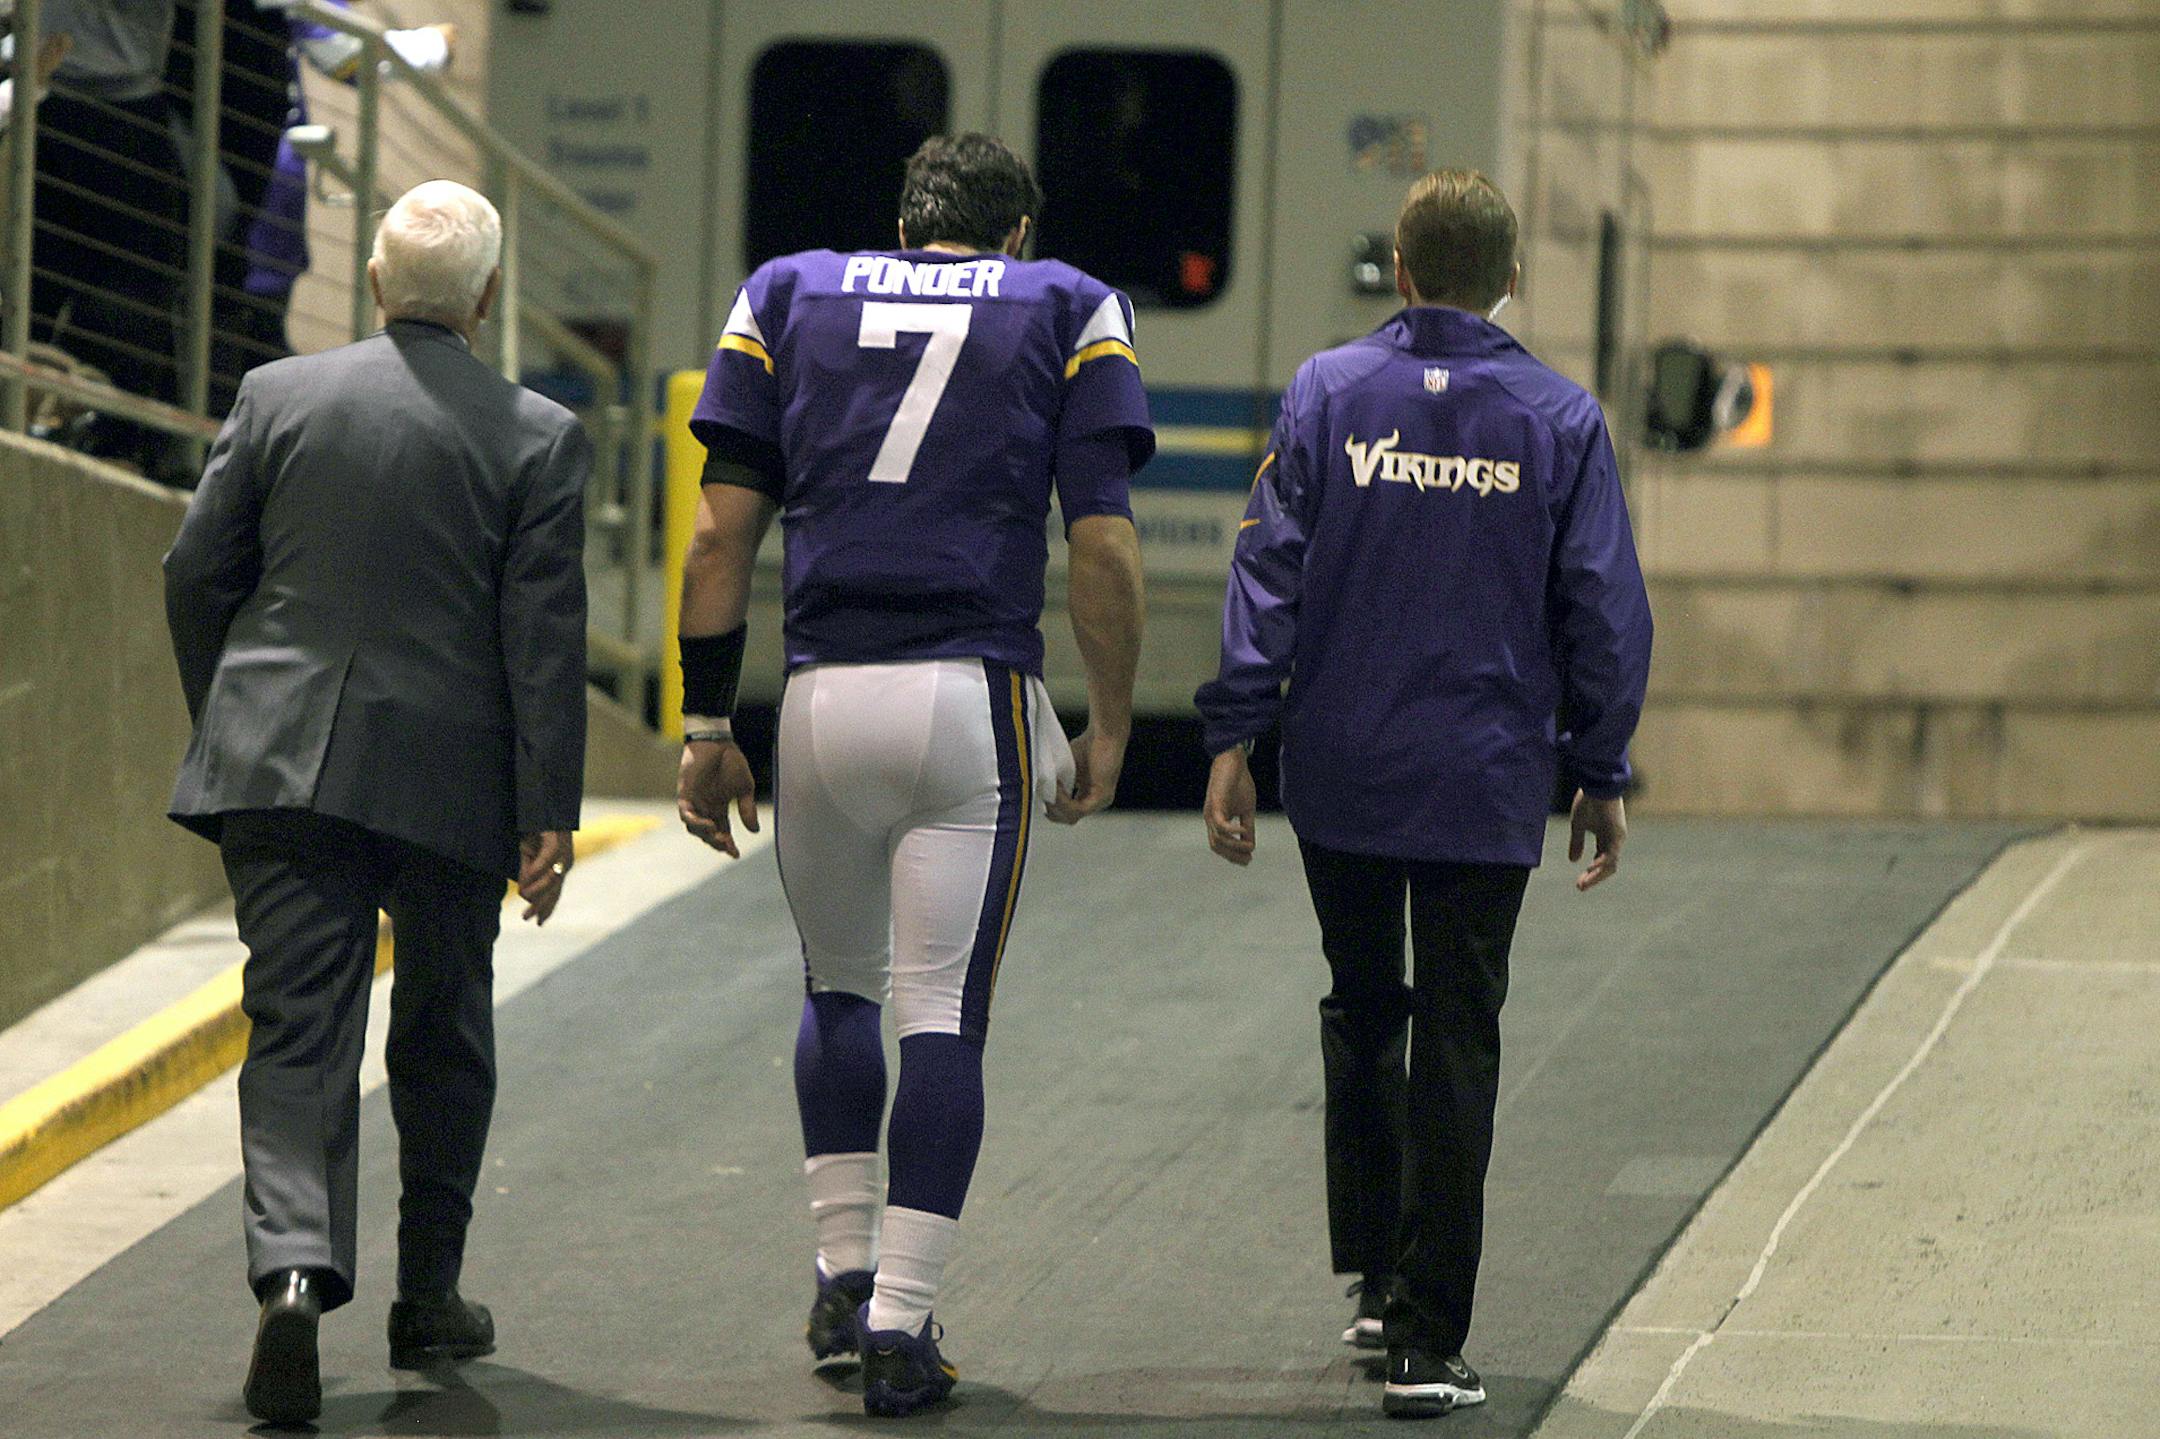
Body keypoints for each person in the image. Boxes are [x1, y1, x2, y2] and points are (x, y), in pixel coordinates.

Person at [675, 133, 1151, 1418]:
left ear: (904, 221)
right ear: (1014, 237)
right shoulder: (1065, 304)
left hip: (822, 696)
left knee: (837, 987)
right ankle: (900, 1318)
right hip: (964, 695)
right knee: (940, 1011)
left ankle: (841, 1272)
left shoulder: (786, 291)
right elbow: (1099, 543)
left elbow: (722, 529)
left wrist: (705, 721)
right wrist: (1110, 720)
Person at [1194, 169, 1652, 1420]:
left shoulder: (1328, 393)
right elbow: (1603, 609)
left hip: (1341, 767)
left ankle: (1372, 1274)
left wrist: (1233, 735)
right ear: (1511, 278)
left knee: (1363, 1001)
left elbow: (1266, 572)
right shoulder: (1562, 421)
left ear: (1399, 271)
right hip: (1485, 771)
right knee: (1460, 1030)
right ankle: (1427, 1336)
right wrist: (1601, 766)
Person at [162, 180, 591, 1426]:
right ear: (490, 300)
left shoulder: (278, 396)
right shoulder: (536, 436)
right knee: (445, 1029)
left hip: (280, 762)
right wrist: (544, 807)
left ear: (372, 283)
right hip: (449, 776)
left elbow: (196, 570)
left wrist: (232, 712)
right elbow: (541, 641)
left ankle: (293, 1277)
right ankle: (429, 1295)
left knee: (299, 1030)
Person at [164, 0, 457, 410]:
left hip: (253, 187)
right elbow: (348, 56)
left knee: (242, 351)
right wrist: (436, 46)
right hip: (241, 189)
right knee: (231, 354)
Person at [32, 0, 186, 473]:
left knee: (127, 284)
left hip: (105, 97)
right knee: (43, 274)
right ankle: (98, 427)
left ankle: (111, 432)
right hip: (64, 86)